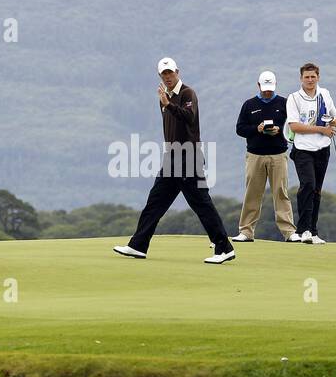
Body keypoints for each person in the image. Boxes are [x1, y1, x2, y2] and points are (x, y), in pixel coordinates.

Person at [113, 57, 236, 264]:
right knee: (155, 203)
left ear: (177, 72)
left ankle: (224, 248)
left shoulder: (187, 93)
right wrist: (166, 103)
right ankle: (138, 245)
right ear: (160, 76)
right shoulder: (164, 98)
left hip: (189, 156)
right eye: (164, 74)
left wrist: (168, 104)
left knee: (202, 204)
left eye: (170, 73)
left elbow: (189, 116)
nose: (168, 77)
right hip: (172, 158)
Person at [232, 70, 295, 242]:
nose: (268, 91)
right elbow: (240, 129)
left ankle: (289, 232)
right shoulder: (249, 105)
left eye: (271, 88)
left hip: (278, 155)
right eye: (265, 88)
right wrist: (256, 129)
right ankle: (246, 231)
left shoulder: (285, 103)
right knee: (252, 193)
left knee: (281, 193)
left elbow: (292, 128)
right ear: (258, 85)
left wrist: (279, 131)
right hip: (255, 156)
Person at [285, 62, 336, 244]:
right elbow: (294, 126)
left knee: (316, 190)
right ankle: (303, 230)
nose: (310, 80)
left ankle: (313, 231)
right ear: (301, 78)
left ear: (318, 77)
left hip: (323, 149)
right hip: (303, 150)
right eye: (306, 77)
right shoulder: (294, 98)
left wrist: (333, 122)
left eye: (313, 77)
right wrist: (321, 129)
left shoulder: (324, 94)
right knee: (307, 186)